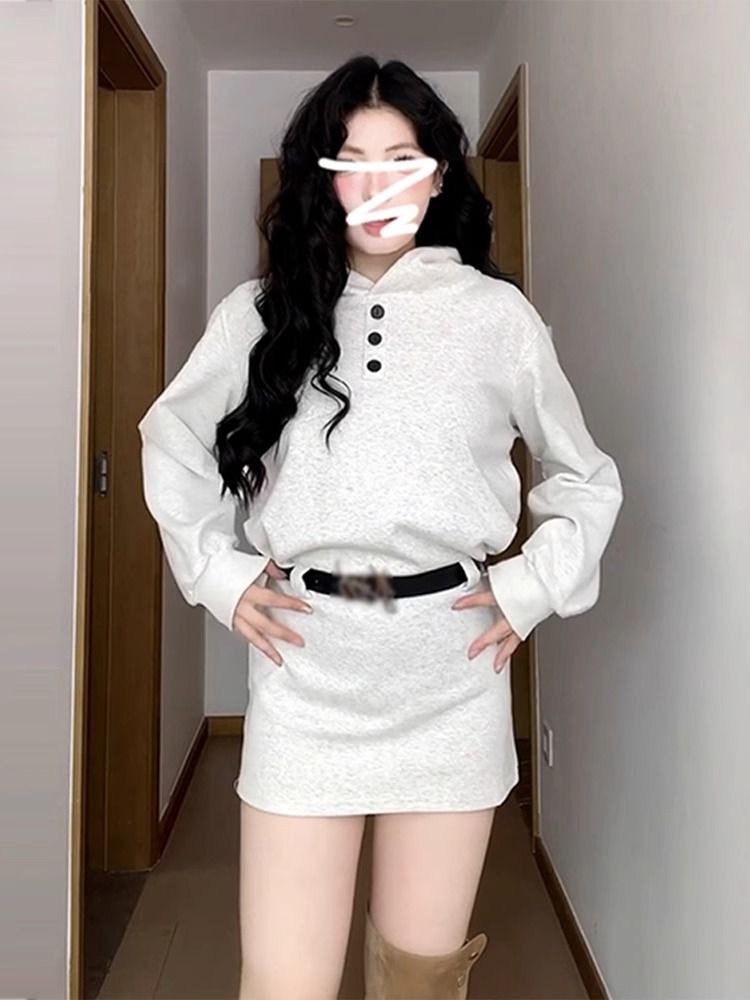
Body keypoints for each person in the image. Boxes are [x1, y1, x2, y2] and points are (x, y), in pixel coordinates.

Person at [137, 55, 623, 1000]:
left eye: (402, 160)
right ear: (321, 180)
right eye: (350, 162)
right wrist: (220, 576)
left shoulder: (497, 317)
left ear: (438, 177)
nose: (377, 185)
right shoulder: (260, 313)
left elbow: (585, 476)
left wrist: (529, 587)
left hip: (450, 678)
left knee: (419, 980)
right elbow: (172, 438)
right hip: (306, 676)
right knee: (284, 983)